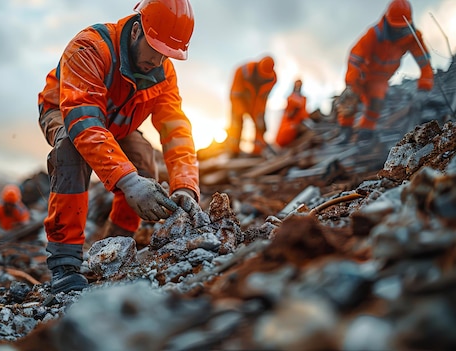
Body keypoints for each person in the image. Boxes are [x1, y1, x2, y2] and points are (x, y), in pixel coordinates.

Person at [37, 0, 203, 294]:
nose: (159, 61)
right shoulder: (90, 48)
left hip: (116, 122)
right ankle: (65, 265)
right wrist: (127, 181)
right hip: (65, 111)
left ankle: (113, 251)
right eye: (156, 50)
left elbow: (176, 129)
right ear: (137, 30)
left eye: (168, 55)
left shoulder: (163, 73)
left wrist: (185, 185)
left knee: (142, 159)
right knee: (70, 150)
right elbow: (84, 122)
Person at [336, 0, 433, 145]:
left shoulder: (413, 38)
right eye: (395, 28)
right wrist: (351, 82)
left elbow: (425, 64)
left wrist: (424, 88)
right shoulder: (374, 34)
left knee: (377, 101)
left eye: (401, 28)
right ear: (388, 21)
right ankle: (345, 130)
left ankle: (365, 132)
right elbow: (355, 57)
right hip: (362, 75)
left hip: (380, 80)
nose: (398, 32)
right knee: (350, 99)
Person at [226, 55, 277, 157]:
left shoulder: (272, 79)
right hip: (239, 100)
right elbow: (235, 94)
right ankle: (233, 151)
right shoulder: (243, 71)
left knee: (260, 124)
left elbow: (263, 98)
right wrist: (240, 111)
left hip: (256, 104)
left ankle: (257, 151)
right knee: (237, 124)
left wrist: (260, 114)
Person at [275, 79, 310, 148]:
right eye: (297, 84)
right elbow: (288, 114)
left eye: (299, 85)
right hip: (289, 122)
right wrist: (295, 110)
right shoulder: (290, 98)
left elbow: (304, 112)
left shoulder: (304, 98)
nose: (298, 86)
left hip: (300, 120)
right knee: (289, 130)